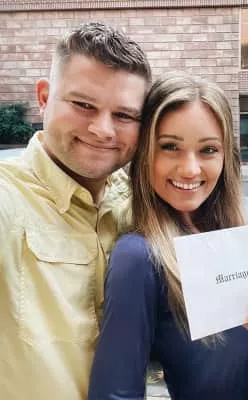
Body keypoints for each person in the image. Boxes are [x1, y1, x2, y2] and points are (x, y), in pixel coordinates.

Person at [88, 72, 248, 400]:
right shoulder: (139, 258)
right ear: (146, 152)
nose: (190, 169)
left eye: (208, 149)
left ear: (225, 156)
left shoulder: (235, 233)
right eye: (170, 147)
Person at [0, 22, 152, 400]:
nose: (102, 129)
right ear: (44, 97)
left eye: (124, 115)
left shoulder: (143, 205)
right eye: (83, 105)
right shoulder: (8, 199)